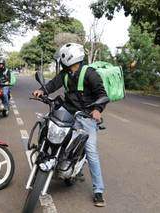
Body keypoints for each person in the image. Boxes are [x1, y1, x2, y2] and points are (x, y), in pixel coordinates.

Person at [33, 43, 108, 207]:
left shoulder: (90, 73)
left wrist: (97, 109)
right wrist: (42, 90)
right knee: (52, 132)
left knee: (91, 151)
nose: (60, 60)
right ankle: (57, 165)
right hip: (67, 112)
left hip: (86, 116)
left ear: (69, 57)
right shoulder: (66, 73)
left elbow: (102, 94)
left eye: (62, 57)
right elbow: (53, 84)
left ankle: (98, 190)